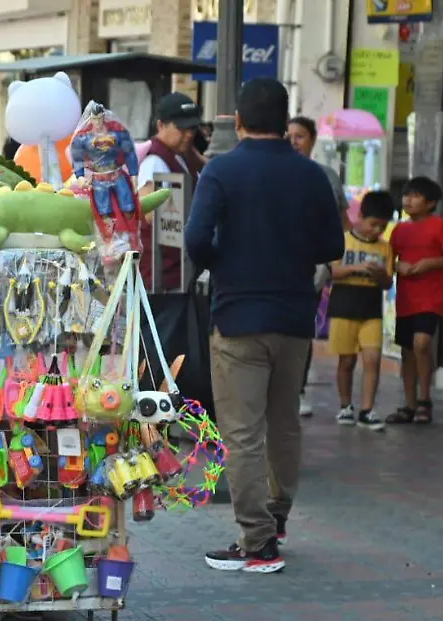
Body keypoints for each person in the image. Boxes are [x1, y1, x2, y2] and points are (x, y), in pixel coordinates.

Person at [183, 78, 343, 573]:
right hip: (295, 318)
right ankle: (277, 517)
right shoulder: (312, 175)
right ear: (284, 120)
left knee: (242, 432)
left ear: (239, 120)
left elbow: (196, 238)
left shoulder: (222, 170)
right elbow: (332, 247)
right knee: (283, 424)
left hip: (238, 317)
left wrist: (225, 261)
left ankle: (257, 542)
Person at [287, 115, 354, 417]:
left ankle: (297, 390)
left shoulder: (327, 176)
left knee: (302, 327)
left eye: (300, 136)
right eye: (289, 136)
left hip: (313, 266)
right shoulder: (277, 172)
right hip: (279, 262)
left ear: (312, 140)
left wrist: (334, 262)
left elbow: (342, 222)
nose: (294, 142)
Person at [328, 190, 394, 431]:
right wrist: (357, 268)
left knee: (372, 359)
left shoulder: (385, 248)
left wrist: (381, 275)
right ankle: (346, 405)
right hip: (344, 305)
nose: (376, 231)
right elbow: (332, 272)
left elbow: (388, 282)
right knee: (346, 360)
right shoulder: (343, 241)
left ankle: (367, 409)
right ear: (361, 217)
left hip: (371, 309)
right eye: (373, 224)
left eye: (382, 227)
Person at [386, 177, 443, 425]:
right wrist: (398, 266)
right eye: (406, 195)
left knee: (422, 343)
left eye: (415, 196)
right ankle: (410, 404)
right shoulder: (399, 230)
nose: (408, 200)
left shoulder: (441, 226)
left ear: (431, 203)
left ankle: (425, 399)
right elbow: (388, 260)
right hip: (406, 299)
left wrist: (430, 263)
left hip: (431, 297)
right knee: (407, 351)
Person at [137, 93, 204, 290]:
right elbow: (149, 213)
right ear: (161, 125)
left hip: (179, 271)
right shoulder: (154, 161)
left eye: (192, 128)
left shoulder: (181, 156)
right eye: (181, 128)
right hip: (161, 275)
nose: (189, 134)